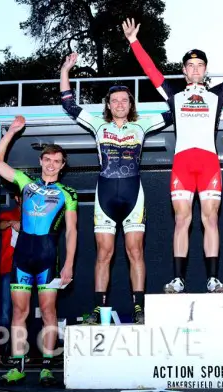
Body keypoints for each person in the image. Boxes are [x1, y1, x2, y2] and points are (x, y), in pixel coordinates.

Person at [122, 17, 223, 294]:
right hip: (182, 164)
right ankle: (178, 280)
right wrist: (134, 41)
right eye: (190, 66)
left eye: (199, 65)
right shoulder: (174, 95)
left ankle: (213, 279)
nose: (195, 69)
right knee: (181, 220)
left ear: (205, 70)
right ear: (183, 71)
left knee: (211, 220)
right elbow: (152, 71)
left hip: (208, 165)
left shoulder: (217, 95)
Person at [59, 53, 173, 324]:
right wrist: (65, 70)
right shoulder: (98, 124)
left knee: (136, 252)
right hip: (105, 196)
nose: (120, 104)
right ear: (108, 105)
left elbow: (176, 108)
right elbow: (68, 103)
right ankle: (99, 309)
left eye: (124, 100)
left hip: (134, 194)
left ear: (130, 103)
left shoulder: (142, 124)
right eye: (115, 100)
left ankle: (138, 308)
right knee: (104, 254)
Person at [0, 116, 78, 386]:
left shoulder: (68, 193)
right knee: (19, 312)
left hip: (48, 256)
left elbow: (73, 231)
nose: (51, 164)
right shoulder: (25, 184)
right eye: (47, 159)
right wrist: (12, 133)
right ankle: (17, 366)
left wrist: (69, 265)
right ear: (41, 161)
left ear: (62, 167)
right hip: (23, 255)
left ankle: (47, 367)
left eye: (57, 161)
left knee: (49, 311)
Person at [0, 193, 21, 356]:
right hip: (7, 267)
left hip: (25, 270)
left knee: (21, 311)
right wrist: (12, 223)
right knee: (5, 311)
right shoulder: (8, 214)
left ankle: (17, 352)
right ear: (17, 198)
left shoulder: (34, 214)